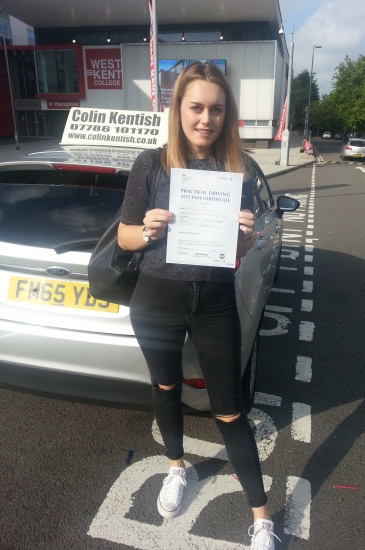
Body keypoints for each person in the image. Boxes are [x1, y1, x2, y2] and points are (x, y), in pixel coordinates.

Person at [118, 61, 280, 549]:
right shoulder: (151, 164)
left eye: (215, 109)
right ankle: (175, 467)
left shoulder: (239, 171)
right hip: (156, 298)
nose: (205, 119)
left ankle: (263, 518)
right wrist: (148, 228)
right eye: (196, 108)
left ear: (227, 115)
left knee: (228, 410)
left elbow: (236, 253)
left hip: (213, 303)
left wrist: (247, 238)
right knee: (165, 386)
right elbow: (126, 237)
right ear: (179, 110)